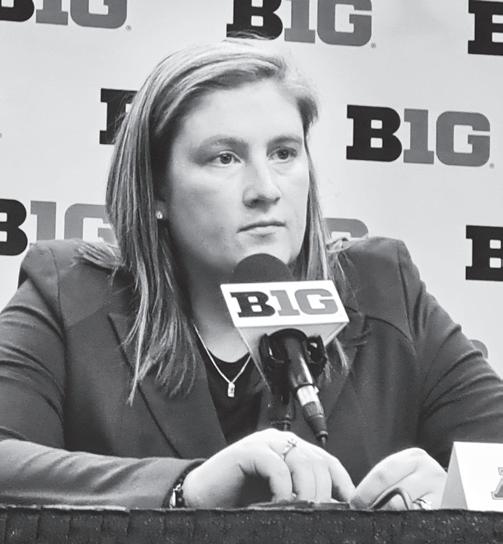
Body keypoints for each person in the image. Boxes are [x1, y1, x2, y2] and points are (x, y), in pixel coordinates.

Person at [0, 38, 502, 510]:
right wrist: (184, 488)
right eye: (225, 158)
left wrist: (457, 490)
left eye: (284, 153)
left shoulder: (383, 287)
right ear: (156, 192)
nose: (266, 189)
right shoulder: (68, 292)